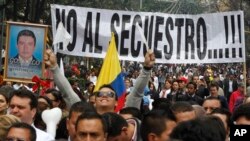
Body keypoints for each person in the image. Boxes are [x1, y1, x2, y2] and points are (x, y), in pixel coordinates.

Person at [44, 49, 155, 112]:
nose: (104, 96)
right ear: (94, 102)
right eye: (100, 94)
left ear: (117, 102)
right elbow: (67, 94)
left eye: (110, 94)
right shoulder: (83, 117)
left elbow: (136, 94)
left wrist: (146, 69)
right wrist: (54, 68)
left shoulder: (124, 120)